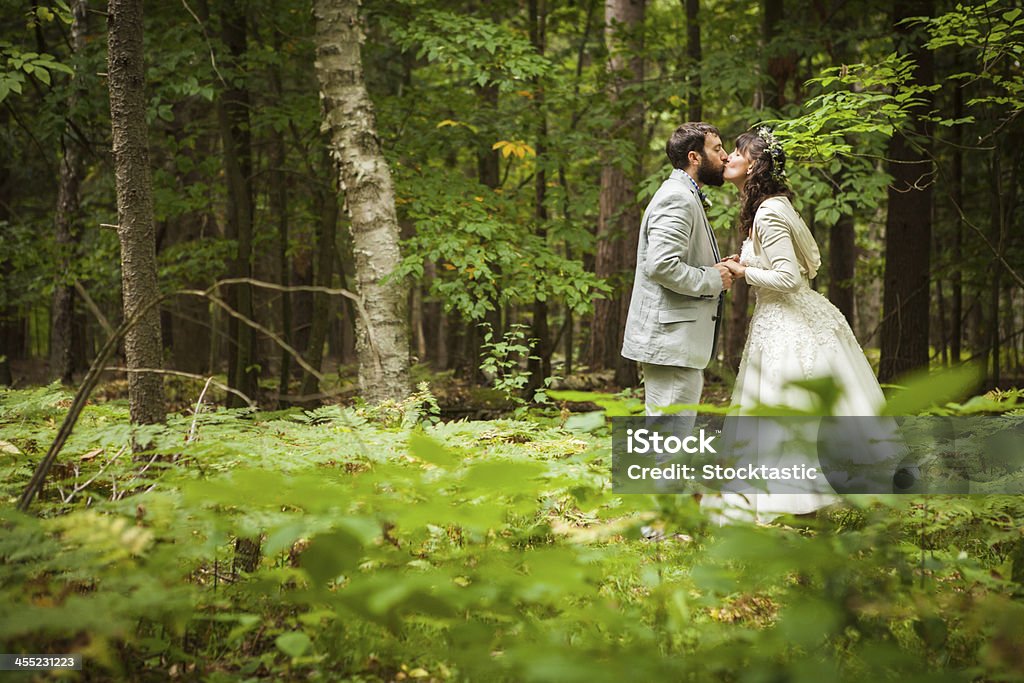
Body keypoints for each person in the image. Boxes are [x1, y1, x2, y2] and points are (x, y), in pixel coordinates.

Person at [709, 126, 900, 522]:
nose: (728, 158)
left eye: (736, 153)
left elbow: (790, 278)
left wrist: (745, 272)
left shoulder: (768, 211)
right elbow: (810, 260)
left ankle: (797, 499)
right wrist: (750, 263)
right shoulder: (776, 205)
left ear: (755, 164)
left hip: (786, 320)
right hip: (791, 314)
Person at [621, 122, 733, 427]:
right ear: (695, 157)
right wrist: (713, 280)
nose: (725, 156)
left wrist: (717, 267)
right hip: (671, 340)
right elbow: (660, 265)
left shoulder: (685, 194)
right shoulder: (677, 198)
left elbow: (676, 260)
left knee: (670, 434)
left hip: (675, 341)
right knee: (670, 435)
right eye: (718, 148)